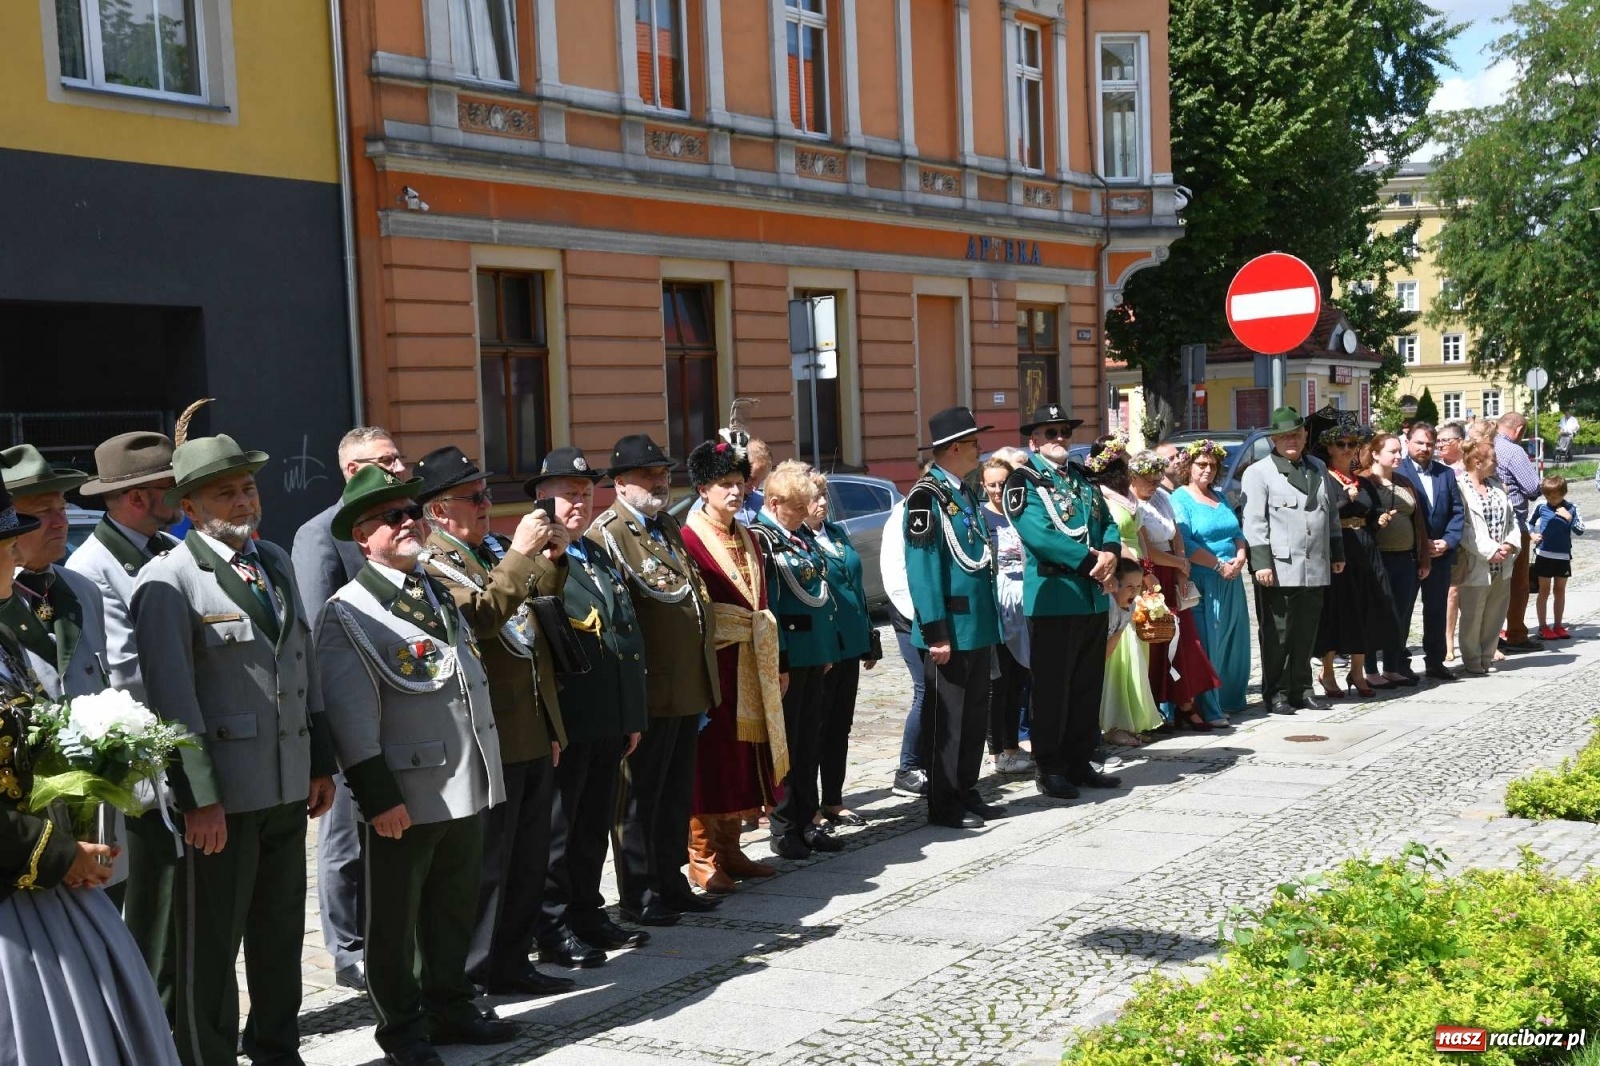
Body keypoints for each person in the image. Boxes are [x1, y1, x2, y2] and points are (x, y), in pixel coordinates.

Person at [132, 429, 337, 1066]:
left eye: (248, 488)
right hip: (221, 797)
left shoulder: (273, 559)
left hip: (283, 784)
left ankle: (278, 1049)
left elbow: (301, 664)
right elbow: (172, 703)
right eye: (226, 494)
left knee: (278, 936)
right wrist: (198, 800)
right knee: (210, 948)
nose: (245, 502)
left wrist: (320, 760)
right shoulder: (168, 579)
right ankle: (205, 1056)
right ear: (188, 507)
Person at [315, 466, 518, 1066]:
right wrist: (378, 799)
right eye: (390, 517)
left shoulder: (430, 587)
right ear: (362, 536)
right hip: (406, 791)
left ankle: (450, 1006)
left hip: (462, 777)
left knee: (453, 905)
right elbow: (351, 719)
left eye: (412, 512)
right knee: (395, 923)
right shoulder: (347, 611)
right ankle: (402, 1029)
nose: (408, 523)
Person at [0, 470, 180, 1065]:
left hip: (65, 844)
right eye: (9, 540)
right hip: (22, 871)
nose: (15, 552)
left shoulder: (69, 594)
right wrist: (57, 852)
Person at [411, 445, 573, 992]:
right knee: (487, 866)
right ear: (438, 511)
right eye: (474, 497)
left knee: (530, 859)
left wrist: (550, 561)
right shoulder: (433, 560)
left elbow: (535, 626)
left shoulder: (489, 552)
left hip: (528, 724)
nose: (486, 505)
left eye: (486, 494)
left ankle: (511, 959)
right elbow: (478, 618)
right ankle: (472, 978)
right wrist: (521, 558)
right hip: (488, 735)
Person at [290, 425, 409, 993]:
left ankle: (385, 935)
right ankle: (347, 948)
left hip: (403, 704)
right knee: (344, 834)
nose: (395, 468)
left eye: (396, 458)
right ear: (349, 470)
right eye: (382, 461)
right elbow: (317, 631)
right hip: (348, 703)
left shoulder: (404, 521)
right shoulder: (319, 535)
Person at [66, 430, 183, 1001]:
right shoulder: (93, 565)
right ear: (137, 498)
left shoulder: (159, 547)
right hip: (143, 777)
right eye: (171, 487)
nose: (182, 497)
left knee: (177, 924)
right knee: (149, 924)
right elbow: (129, 675)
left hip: (173, 765)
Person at [528, 449, 651, 963]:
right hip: (568, 720)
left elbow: (625, 635)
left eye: (583, 494)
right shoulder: (536, 561)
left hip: (606, 716)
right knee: (559, 831)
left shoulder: (595, 553)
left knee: (592, 825)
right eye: (566, 495)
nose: (577, 504)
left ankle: (587, 910)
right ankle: (551, 925)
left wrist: (630, 716)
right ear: (541, 500)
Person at [594, 435, 720, 926]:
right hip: (649, 689)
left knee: (673, 794)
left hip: (685, 685)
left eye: (663, 472)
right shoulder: (610, 533)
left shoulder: (665, 524)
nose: (660, 481)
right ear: (621, 483)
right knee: (637, 798)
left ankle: (670, 880)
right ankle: (638, 893)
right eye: (648, 475)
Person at [1004, 404, 1122, 799]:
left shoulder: (1081, 478)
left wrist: (1110, 552)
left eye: (1064, 433)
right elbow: (1039, 535)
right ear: (1033, 440)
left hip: (1090, 597)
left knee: (1087, 685)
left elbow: (1106, 519)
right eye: (1050, 433)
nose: (1060, 439)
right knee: (1053, 689)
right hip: (1054, 597)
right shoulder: (1024, 482)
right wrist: (1092, 562)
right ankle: (1050, 766)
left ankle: (1079, 759)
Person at [680, 439, 783, 883]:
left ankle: (730, 848)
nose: (736, 492)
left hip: (750, 658)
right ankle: (701, 856)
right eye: (725, 484)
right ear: (703, 489)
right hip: (715, 660)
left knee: (742, 756)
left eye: (740, 483)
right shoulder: (687, 538)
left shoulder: (748, 535)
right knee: (711, 759)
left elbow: (762, 599)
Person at [907, 407, 1008, 826]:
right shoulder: (925, 497)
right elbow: (923, 569)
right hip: (949, 627)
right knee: (946, 723)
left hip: (978, 624)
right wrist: (936, 632)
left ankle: (966, 790)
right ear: (952, 449)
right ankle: (944, 802)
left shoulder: (961, 492)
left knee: (973, 718)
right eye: (973, 444)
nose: (979, 451)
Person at [750, 461, 845, 856]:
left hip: (813, 654)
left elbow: (819, 594)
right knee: (786, 745)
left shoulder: (798, 535)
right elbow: (769, 605)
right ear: (775, 503)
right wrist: (781, 663)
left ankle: (809, 819)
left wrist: (825, 649)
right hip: (787, 657)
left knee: (810, 740)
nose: (808, 512)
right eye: (799, 506)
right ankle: (784, 825)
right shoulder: (764, 539)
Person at [1239, 407, 1344, 715]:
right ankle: (1277, 692)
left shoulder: (1318, 468)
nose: (1291, 440)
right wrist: (1261, 564)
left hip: (1314, 564)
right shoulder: (1258, 473)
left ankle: (1302, 688)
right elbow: (1255, 522)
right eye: (1284, 436)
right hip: (1279, 565)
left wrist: (1336, 553)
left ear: (1305, 435)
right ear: (1273, 438)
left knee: (1306, 630)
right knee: (1278, 634)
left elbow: (1331, 516)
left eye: (1296, 434)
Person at [1129, 449, 1220, 727]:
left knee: (1184, 640)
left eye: (1156, 476)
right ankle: (1159, 707)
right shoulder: (1132, 503)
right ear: (1133, 476)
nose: (1154, 482)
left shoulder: (1163, 497)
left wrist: (1181, 570)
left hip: (1172, 571)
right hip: (1151, 575)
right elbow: (1147, 549)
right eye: (1147, 477)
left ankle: (1185, 702)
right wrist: (1177, 563)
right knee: (1156, 643)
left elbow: (1176, 534)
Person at [807, 470, 878, 828]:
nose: (822, 502)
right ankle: (810, 807)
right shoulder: (798, 540)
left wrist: (867, 637)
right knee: (815, 727)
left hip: (849, 642)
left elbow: (856, 587)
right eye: (814, 496)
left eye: (823, 495)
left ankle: (833, 799)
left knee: (839, 726)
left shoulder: (835, 533)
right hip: (822, 648)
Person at [1309, 423, 1399, 699]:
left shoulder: (1362, 480)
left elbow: (1371, 514)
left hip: (1365, 550)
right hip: (1340, 550)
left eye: (1351, 445)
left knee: (1365, 610)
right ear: (1330, 449)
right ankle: (1328, 671)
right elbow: (1319, 514)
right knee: (1336, 612)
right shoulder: (1324, 477)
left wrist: (1378, 520)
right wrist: (1344, 502)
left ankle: (1358, 671)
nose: (1347, 450)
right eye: (1341, 445)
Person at [1086, 438, 1164, 746]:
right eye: (1123, 460)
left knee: (1137, 644)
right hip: (1116, 575)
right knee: (1119, 648)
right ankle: (1114, 722)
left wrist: (1146, 570)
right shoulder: (1099, 496)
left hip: (1134, 574)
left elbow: (1140, 535)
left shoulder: (1126, 494)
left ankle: (1133, 718)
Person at [1170, 441, 1250, 719]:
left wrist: (1240, 555)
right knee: (1208, 644)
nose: (1207, 469)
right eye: (1201, 464)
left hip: (1232, 578)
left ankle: (1231, 698)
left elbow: (1237, 531)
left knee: (1233, 641)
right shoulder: (1179, 499)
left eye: (1212, 465)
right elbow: (1186, 543)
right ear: (1188, 466)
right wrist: (1218, 565)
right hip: (1205, 579)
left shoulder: (1220, 496)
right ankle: (1208, 708)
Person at [979, 452, 1033, 772]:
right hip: (998, 602)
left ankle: (1013, 744)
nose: (997, 491)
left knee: (1018, 680)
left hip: (1023, 600)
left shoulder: (1019, 513)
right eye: (990, 486)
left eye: (1002, 484)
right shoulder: (982, 516)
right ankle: (996, 751)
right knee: (998, 681)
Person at [1365, 432, 1432, 686]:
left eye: (1399, 451)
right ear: (1375, 454)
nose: (1398, 456)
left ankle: (1392, 667)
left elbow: (1419, 523)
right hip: (1377, 559)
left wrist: (1423, 559)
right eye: (1392, 451)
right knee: (1374, 615)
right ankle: (1370, 670)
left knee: (1401, 615)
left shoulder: (1404, 482)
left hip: (1406, 558)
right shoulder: (1364, 482)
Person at [1399, 422, 1464, 682]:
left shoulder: (1445, 474)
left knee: (1436, 609)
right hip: (1410, 554)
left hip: (1440, 554)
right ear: (1408, 442)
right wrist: (1421, 543)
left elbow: (1457, 512)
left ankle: (1435, 661)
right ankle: (1399, 663)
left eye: (1429, 444)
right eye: (1419, 443)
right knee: (1403, 610)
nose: (1424, 448)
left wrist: (1447, 541)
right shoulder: (1397, 471)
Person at [1454, 431, 1521, 675]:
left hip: (1502, 562)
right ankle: (1471, 659)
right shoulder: (1461, 487)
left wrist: (1510, 545)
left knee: (1495, 613)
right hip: (1476, 561)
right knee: (1472, 614)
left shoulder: (1497, 486)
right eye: (1493, 459)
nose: (1497, 463)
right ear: (1478, 462)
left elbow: (1512, 520)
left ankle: (1486, 655)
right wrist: (1490, 549)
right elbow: (1463, 527)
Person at [879, 490, 928, 798]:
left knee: (935, 692)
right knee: (924, 690)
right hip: (911, 617)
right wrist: (917, 616)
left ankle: (926, 762)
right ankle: (906, 769)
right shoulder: (904, 513)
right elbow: (895, 572)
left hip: (933, 617)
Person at [1492, 413, 1544, 652]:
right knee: (1517, 583)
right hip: (1515, 525)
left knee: (1493, 584)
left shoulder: (1488, 444)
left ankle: (1491, 634)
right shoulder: (1514, 451)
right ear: (1519, 429)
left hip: (1490, 525)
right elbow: (1533, 487)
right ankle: (1516, 634)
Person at [1530, 475, 1583, 640]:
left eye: (1554, 497)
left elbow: (1580, 530)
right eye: (1547, 497)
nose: (1551, 500)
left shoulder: (1571, 508)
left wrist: (1569, 517)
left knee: (1559, 590)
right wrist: (1532, 535)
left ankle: (1558, 625)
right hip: (1544, 554)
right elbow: (1528, 523)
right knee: (1544, 591)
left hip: (1563, 555)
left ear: (1563, 493)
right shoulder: (1541, 506)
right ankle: (1543, 626)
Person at [1436, 422, 1468, 662]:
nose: (1440, 445)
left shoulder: (1469, 467)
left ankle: (1481, 639)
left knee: (1476, 591)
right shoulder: (1435, 470)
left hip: (1473, 538)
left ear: (1459, 442)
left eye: (1445, 441)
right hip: (1448, 539)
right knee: (1451, 592)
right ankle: (1448, 642)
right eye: (1438, 441)